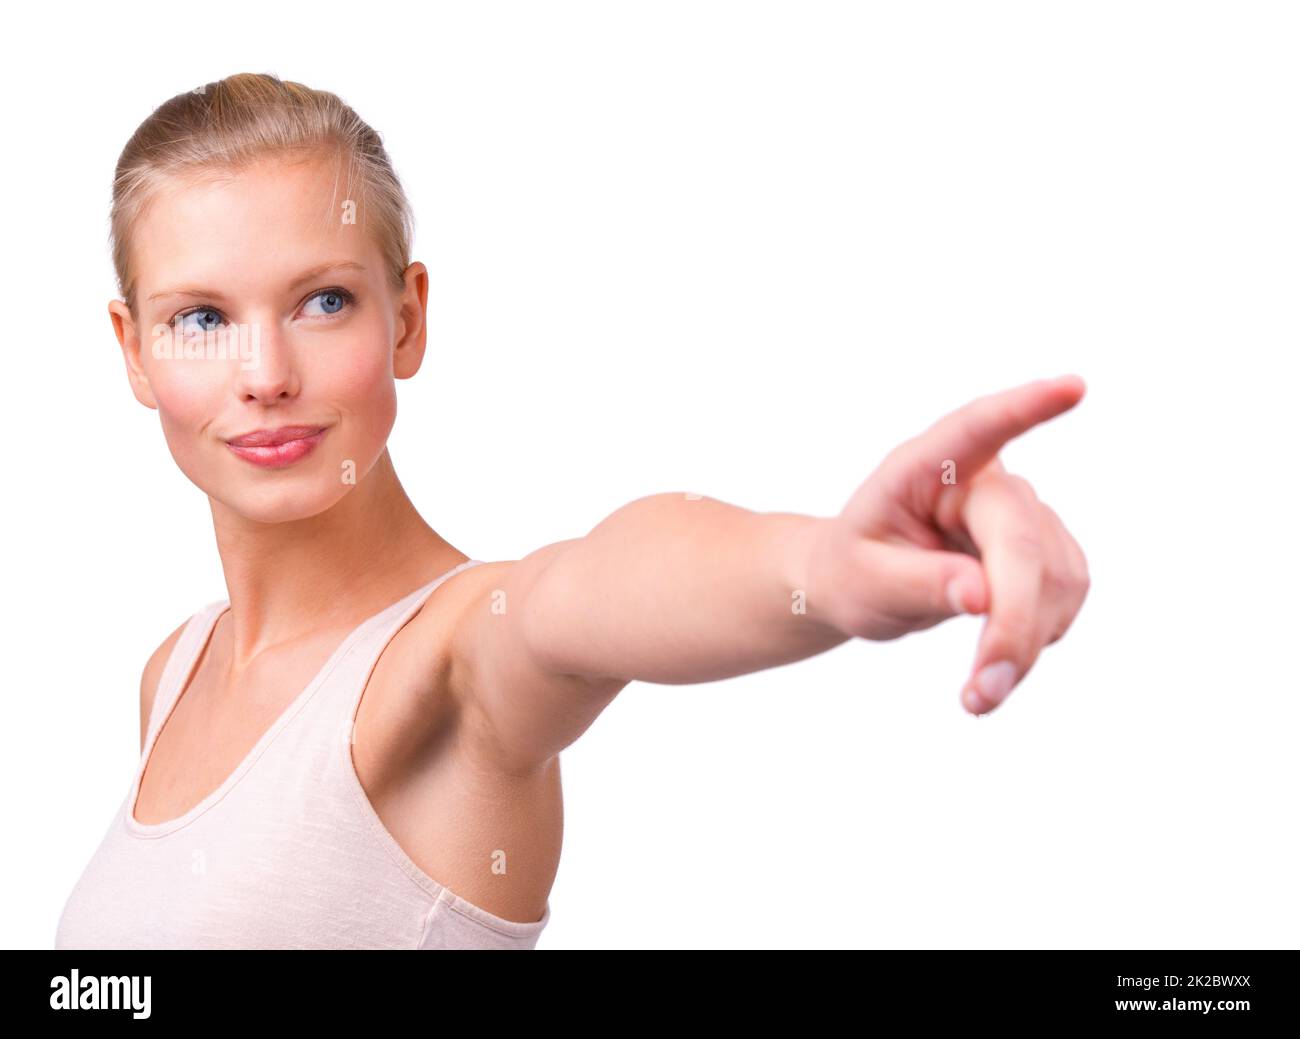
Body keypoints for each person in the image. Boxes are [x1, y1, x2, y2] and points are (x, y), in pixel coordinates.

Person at [55, 72, 1089, 950]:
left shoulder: (454, 657)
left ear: (408, 317)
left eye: (323, 301)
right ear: (133, 349)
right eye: (200, 318)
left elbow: (589, 594)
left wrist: (821, 565)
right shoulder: (175, 671)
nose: (266, 374)